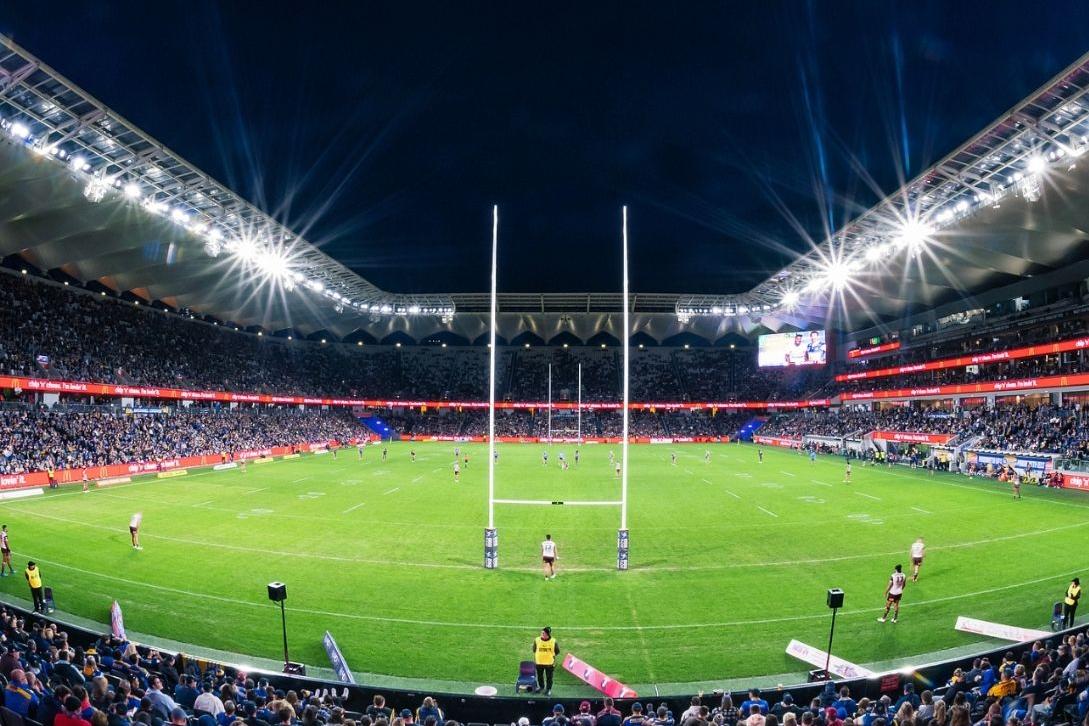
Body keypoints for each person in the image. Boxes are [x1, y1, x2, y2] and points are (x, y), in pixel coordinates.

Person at [532, 627, 557, 695]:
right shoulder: (537, 640)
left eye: (544, 633)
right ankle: (541, 687)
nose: (542, 634)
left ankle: (548, 689)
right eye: (542, 632)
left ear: (548, 634)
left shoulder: (553, 641)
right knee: (540, 676)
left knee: (549, 677)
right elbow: (534, 649)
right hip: (539, 662)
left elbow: (557, 651)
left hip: (549, 664)